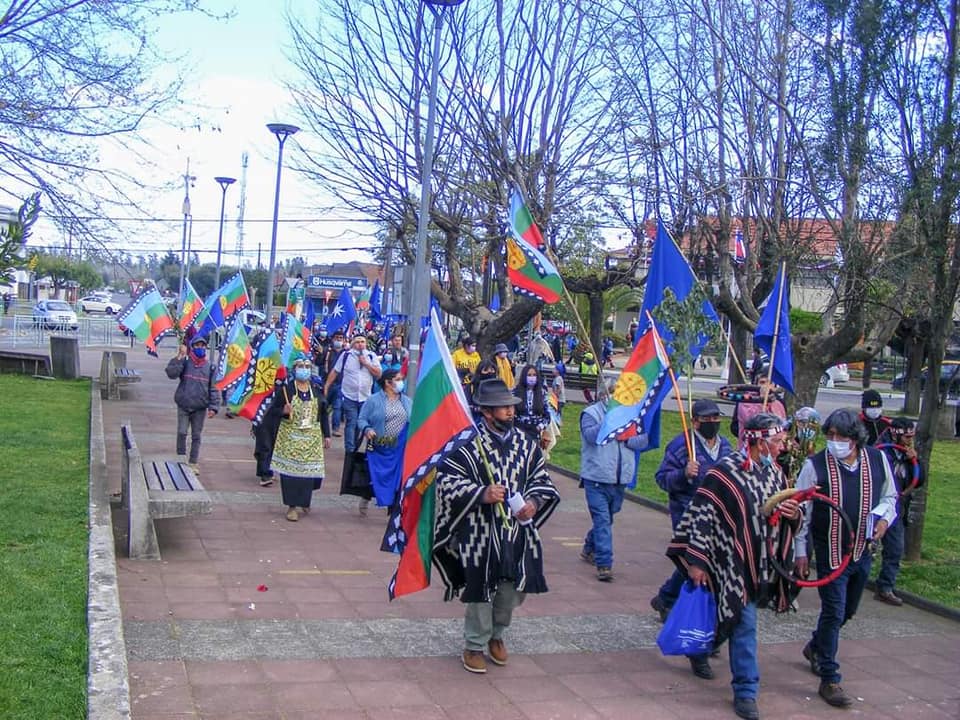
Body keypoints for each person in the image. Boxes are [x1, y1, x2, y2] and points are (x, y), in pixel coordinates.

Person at [666, 414, 801, 720]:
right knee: (745, 624)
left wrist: (792, 514)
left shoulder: (776, 475)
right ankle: (746, 691)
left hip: (761, 563)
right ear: (758, 443)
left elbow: (785, 517)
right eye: (777, 442)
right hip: (727, 563)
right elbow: (701, 516)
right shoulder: (723, 474)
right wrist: (697, 561)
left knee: (731, 616)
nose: (782, 447)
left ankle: (699, 649)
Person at [433, 378, 561, 674]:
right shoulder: (467, 442)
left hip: (516, 531)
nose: (510, 411)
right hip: (479, 531)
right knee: (481, 587)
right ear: (486, 411)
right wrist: (481, 493)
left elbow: (541, 481)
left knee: (512, 588)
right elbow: (446, 482)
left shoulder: (525, 443)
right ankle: (474, 644)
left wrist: (534, 502)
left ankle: (497, 634)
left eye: (511, 406)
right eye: (504, 407)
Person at [794, 408, 898, 709]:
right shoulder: (815, 466)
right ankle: (829, 676)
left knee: (848, 610)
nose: (835, 441)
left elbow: (890, 497)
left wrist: (883, 520)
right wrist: (801, 551)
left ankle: (816, 646)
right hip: (830, 552)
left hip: (862, 551)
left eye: (841, 437)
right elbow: (803, 509)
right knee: (833, 610)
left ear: (855, 439)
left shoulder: (877, 460)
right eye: (831, 436)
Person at [650, 398, 735, 667]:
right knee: (696, 562)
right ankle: (697, 629)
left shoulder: (726, 447)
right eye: (707, 420)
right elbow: (662, 478)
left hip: (718, 515)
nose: (713, 424)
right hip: (687, 513)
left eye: (716, 419)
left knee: (698, 563)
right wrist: (684, 474)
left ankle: (665, 597)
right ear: (696, 421)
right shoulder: (681, 445)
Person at [579, 380, 649, 582]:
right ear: (603, 394)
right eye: (612, 392)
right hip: (596, 478)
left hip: (620, 478)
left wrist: (626, 437)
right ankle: (604, 564)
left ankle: (589, 546)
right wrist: (609, 422)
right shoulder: (591, 413)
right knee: (602, 520)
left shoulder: (631, 414)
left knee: (608, 517)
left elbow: (642, 440)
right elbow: (591, 436)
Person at [264, 353, 332, 522]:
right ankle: (292, 506)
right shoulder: (286, 391)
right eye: (301, 367)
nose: (304, 370)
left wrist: (327, 434)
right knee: (291, 475)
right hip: (290, 437)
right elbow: (271, 412)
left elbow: (323, 413)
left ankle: (305, 501)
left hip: (311, 437)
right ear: (294, 369)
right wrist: (283, 412)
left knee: (309, 474)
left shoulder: (316, 391)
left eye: (307, 367)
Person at [874, 417, 923, 606]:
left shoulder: (909, 453)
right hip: (876, 504)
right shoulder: (881, 450)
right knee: (866, 546)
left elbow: (919, 480)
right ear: (896, 433)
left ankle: (885, 587)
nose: (909, 440)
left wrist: (914, 461)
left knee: (895, 549)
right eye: (906, 437)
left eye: (912, 436)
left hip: (896, 505)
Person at [356, 368, 412, 515]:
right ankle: (367, 495)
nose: (401, 383)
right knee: (376, 476)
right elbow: (361, 419)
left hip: (399, 447)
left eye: (401, 379)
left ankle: (392, 511)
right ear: (388, 383)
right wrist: (367, 429)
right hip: (379, 445)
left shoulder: (407, 401)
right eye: (398, 379)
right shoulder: (373, 400)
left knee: (397, 479)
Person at [165, 330, 219, 473]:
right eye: (197, 346)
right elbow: (171, 373)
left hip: (200, 407)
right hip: (184, 404)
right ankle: (180, 460)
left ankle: (193, 462)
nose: (200, 348)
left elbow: (213, 388)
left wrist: (214, 407)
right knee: (182, 432)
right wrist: (179, 357)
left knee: (196, 435)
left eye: (203, 346)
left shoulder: (210, 367)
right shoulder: (185, 362)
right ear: (192, 348)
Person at [324, 333, 381, 453]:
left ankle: (356, 446)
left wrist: (366, 363)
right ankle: (349, 450)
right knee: (351, 422)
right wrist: (327, 385)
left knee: (361, 425)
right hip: (349, 396)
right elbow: (335, 371)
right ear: (353, 344)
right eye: (357, 342)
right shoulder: (346, 356)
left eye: (362, 342)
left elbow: (378, 373)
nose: (360, 344)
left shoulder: (371, 356)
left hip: (365, 397)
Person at [512, 364, 550, 449]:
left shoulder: (542, 393)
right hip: (519, 430)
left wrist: (540, 426)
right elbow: (511, 413)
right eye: (529, 375)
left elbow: (547, 415)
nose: (532, 377)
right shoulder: (515, 392)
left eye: (534, 375)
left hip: (535, 431)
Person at [323, 329, 347, 436]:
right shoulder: (327, 352)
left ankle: (335, 428)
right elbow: (319, 363)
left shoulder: (347, 354)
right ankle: (321, 428)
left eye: (341, 338)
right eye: (336, 338)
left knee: (337, 407)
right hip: (327, 384)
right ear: (332, 339)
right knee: (323, 406)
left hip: (340, 384)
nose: (338, 340)